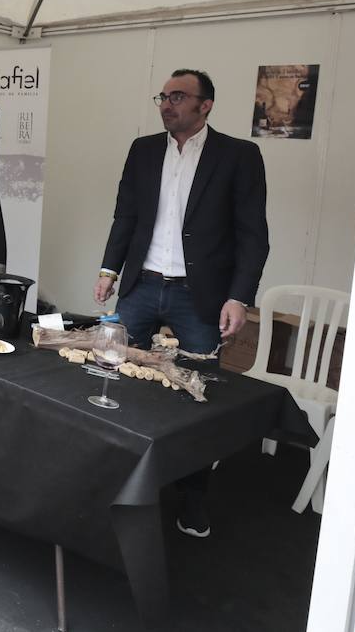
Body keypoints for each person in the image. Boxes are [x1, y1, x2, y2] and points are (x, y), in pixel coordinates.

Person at [94, 68, 269, 539]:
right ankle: (110, 478)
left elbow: (254, 235)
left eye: (178, 96)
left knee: (198, 395)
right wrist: (110, 269)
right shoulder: (144, 149)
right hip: (142, 284)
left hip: (201, 296)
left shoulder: (239, 156)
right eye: (163, 96)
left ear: (205, 105)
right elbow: (125, 214)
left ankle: (192, 497)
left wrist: (239, 297)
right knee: (110, 370)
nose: (166, 104)